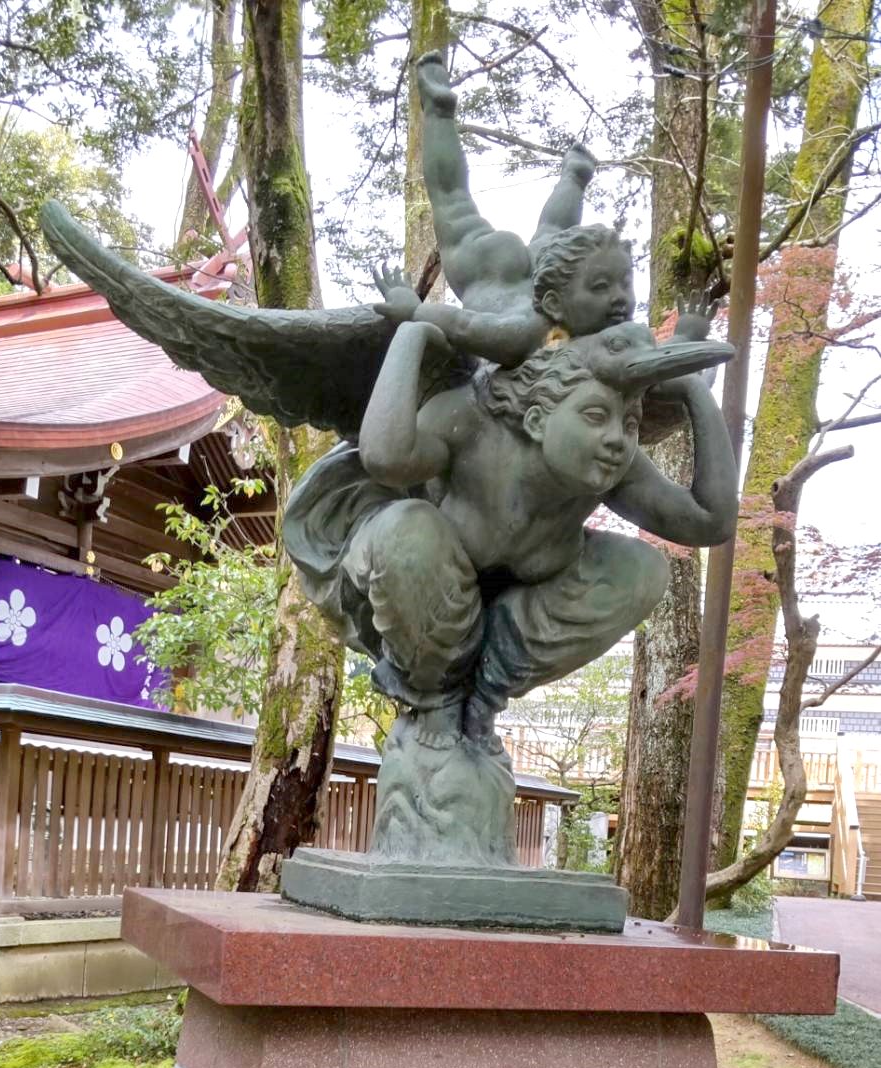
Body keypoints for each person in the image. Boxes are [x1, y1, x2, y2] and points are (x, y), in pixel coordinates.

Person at [284, 319, 737, 750]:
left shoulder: (611, 469)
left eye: (631, 423)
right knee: (409, 532)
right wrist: (413, 332)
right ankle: (433, 697)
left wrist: (695, 392)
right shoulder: (473, 421)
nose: (618, 439)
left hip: (498, 624)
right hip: (403, 582)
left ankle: (484, 694)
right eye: (596, 415)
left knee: (641, 569)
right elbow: (384, 458)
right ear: (538, 419)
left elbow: (709, 521)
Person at [371, 52, 631, 367]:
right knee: (474, 210)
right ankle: (441, 113)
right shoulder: (530, 332)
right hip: (495, 276)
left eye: (626, 284)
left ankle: (574, 177)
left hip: (527, 277)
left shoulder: (590, 331)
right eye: (604, 287)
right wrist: (412, 310)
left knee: (475, 208)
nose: (620, 298)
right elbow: (462, 325)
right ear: (555, 306)